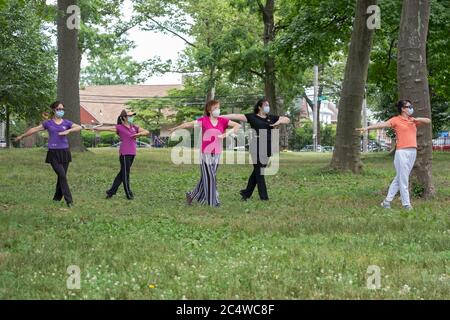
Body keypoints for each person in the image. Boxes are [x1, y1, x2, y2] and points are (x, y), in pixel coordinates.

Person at [356, 100, 431, 210]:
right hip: (402, 152)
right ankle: (406, 204)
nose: (411, 108)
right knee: (404, 178)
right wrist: (367, 128)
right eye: (408, 106)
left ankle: (386, 202)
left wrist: (417, 119)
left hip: (413, 151)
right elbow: (382, 124)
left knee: (399, 178)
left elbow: (428, 121)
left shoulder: (413, 120)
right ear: (403, 109)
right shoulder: (396, 120)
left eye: (411, 106)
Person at [169, 100, 241, 207]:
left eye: (218, 107)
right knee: (211, 177)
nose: (218, 110)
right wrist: (176, 128)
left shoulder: (222, 121)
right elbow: (189, 124)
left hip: (217, 153)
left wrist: (226, 134)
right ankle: (213, 201)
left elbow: (237, 125)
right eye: (215, 108)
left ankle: (191, 195)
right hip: (205, 153)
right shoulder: (204, 120)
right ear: (209, 110)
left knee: (207, 177)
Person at [15, 101, 82, 208]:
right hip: (53, 153)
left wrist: (68, 131)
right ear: (54, 110)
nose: (61, 111)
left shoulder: (66, 123)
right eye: (59, 109)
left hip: (64, 152)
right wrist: (22, 136)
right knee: (62, 175)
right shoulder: (48, 123)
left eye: (62, 109)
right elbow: (34, 129)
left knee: (61, 176)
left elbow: (79, 127)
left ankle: (56, 198)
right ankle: (69, 201)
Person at [222, 98, 290, 201]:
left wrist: (278, 122)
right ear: (259, 107)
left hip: (268, 146)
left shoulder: (271, 118)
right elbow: (235, 116)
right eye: (266, 105)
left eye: (268, 105)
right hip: (256, 145)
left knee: (257, 170)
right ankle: (264, 197)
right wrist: (218, 116)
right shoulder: (252, 117)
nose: (268, 107)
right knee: (260, 171)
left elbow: (287, 119)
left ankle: (246, 193)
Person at [93, 109, 149, 200]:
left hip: (132, 153)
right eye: (129, 116)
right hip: (124, 154)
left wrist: (139, 134)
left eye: (132, 116)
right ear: (124, 118)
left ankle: (111, 191)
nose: (132, 118)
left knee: (122, 174)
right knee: (126, 174)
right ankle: (129, 194)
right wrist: (95, 128)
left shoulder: (134, 127)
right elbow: (108, 128)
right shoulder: (119, 127)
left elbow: (146, 132)